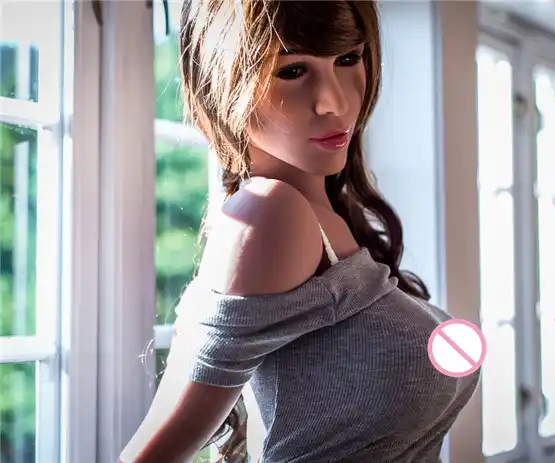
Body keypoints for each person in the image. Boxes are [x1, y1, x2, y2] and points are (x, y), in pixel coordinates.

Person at [119, 1, 480, 462]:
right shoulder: (271, 216)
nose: (335, 102)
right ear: (220, 80)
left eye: (348, 58)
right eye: (292, 71)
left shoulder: (323, 218)